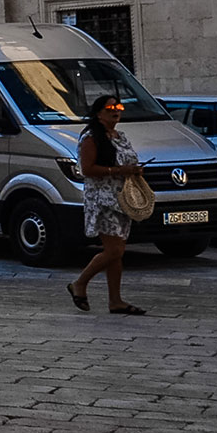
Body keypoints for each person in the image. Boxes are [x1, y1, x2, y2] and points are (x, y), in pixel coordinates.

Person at [67, 95, 146, 316]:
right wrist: (119, 170)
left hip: (122, 199)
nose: (116, 111)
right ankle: (79, 283)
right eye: (110, 107)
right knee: (114, 250)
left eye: (119, 107)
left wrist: (135, 170)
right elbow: (87, 169)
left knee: (117, 253)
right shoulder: (91, 137)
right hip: (103, 200)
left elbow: (127, 161)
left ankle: (115, 301)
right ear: (99, 112)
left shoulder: (120, 137)